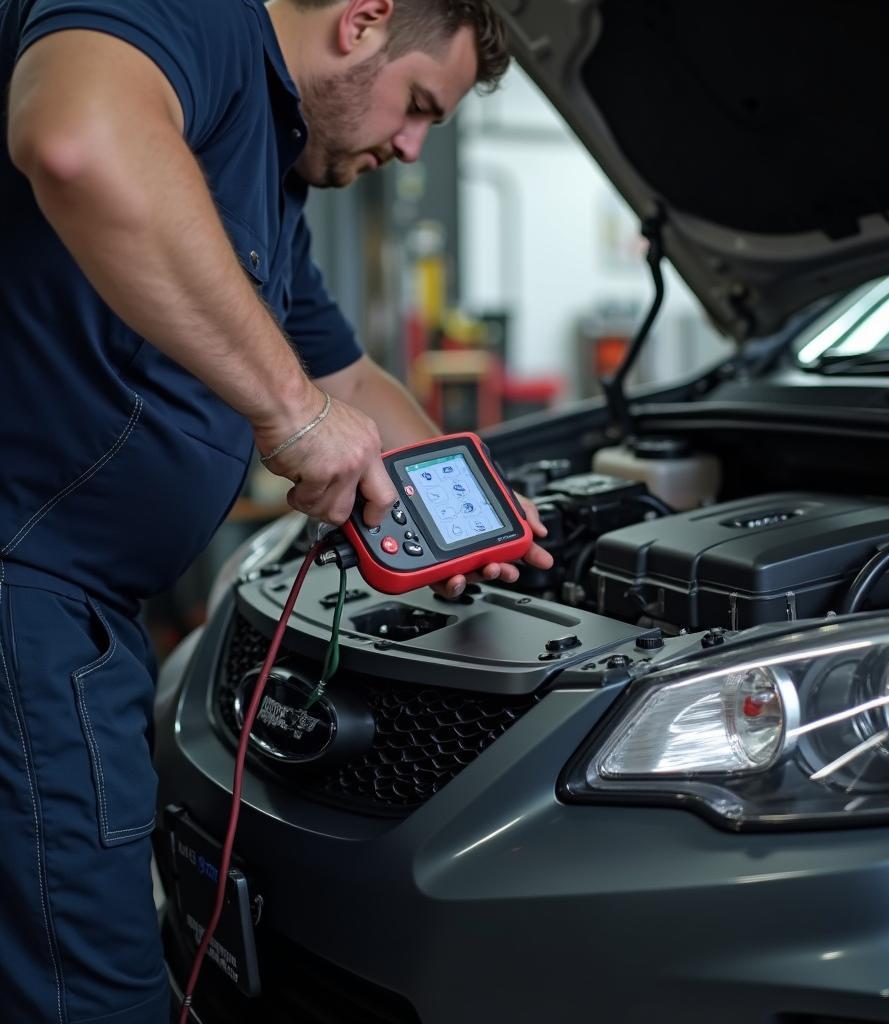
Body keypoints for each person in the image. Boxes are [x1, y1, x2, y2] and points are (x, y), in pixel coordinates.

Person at [0, 0, 553, 1020]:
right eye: (419, 104)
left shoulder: (265, 178)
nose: (412, 146)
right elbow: (76, 139)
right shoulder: (194, 19)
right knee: (90, 992)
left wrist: (484, 501)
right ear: (365, 18)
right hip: (24, 588)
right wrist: (292, 415)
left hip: (78, 612)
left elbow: (350, 377)